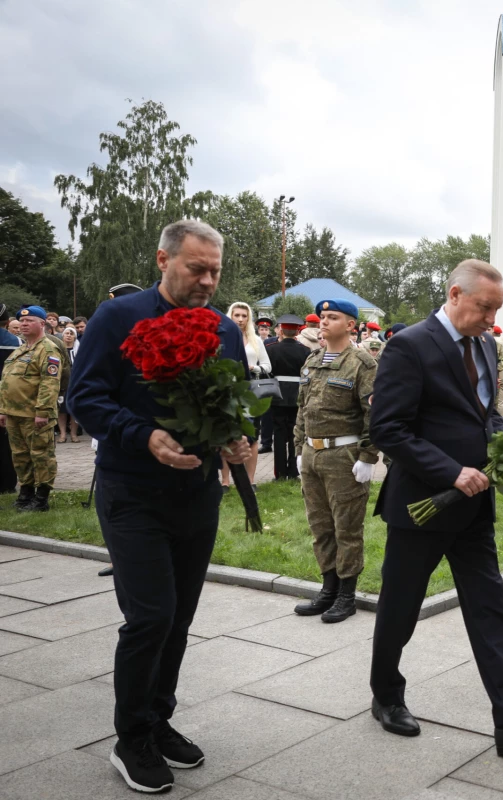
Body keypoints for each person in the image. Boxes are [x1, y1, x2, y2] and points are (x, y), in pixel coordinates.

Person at [67, 219, 252, 793]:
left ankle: (158, 718)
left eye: (215, 270)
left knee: (180, 617)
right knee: (150, 616)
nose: (207, 280)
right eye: (196, 268)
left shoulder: (222, 329)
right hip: (133, 492)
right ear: (162, 259)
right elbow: (85, 395)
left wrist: (236, 437)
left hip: (196, 493)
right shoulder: (117, 318)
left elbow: (230, 400)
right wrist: (141, 435)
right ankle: (131, 739)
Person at [369, 259, 503, 754]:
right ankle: (385, 695)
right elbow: (389, 430)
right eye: (485, 308)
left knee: (490, 608)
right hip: (424, 504)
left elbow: (488, 416)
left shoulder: (485, 344)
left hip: (474, 507)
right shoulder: (410, 346)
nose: (492, 320)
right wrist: (450, 471)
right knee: (401, 607)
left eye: (498, 310)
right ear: (455, 294)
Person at [292, 299, 379, 623]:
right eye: (323, 317)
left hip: (344, 456)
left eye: (333, 317)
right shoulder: (312, 360)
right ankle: (328, 589)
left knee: (347, 528)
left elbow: (374, 415)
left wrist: (368, 457)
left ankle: (346, 595)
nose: (324, 322)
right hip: (313, 454)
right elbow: (303, 409)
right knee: (320, 526)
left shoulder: (361, 363)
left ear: (351, 325)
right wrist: (300, 448)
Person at [0, 306, 61, 512]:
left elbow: (49, 383)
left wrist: (42, 411)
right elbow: (6, 382)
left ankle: (41, 497)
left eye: (29, 321)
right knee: (20, 455)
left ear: (42, 324)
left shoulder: (48, 350)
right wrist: (3, 410)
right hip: (14, 414)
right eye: (21, 322)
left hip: (35, 414)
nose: (24, 324)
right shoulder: (20, 349)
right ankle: (26, 493)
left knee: (41, 455)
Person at [222, 302, 272, 484]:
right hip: (226, 389)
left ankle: (251, 480)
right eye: (237, 315)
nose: (241, 319)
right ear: (231, 316)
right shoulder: (222, 336)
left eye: (244, 316)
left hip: (251, 390)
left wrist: (255, 367)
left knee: (252, 435)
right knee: (226, 434)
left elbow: (268, 365)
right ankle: (225, 481)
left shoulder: (256, 340)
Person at [265, 314, 308, 481]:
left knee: (279, 434)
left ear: (281, 330)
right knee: (294, 435)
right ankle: (293, 471)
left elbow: (268, 372)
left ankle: (280, 473)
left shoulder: (271, 349)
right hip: (297, 396)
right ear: (297, 331)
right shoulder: (305, 351)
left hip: (278, 396)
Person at [0, 305, 18, 495]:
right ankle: (7, 484)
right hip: (8, 398)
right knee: (7, 444)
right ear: (6, 322)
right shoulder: (16, 342)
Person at [56, 325, 81, 443]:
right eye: (67, 333)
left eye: (72, 334)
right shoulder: (57, 349)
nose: (69, 336)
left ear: (75, 337)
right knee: (62, 409)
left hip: (75, 383)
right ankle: (62, 434)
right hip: (61, 383)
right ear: (63, 335)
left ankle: (74, 434)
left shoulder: (79, 350)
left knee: (73, 409)